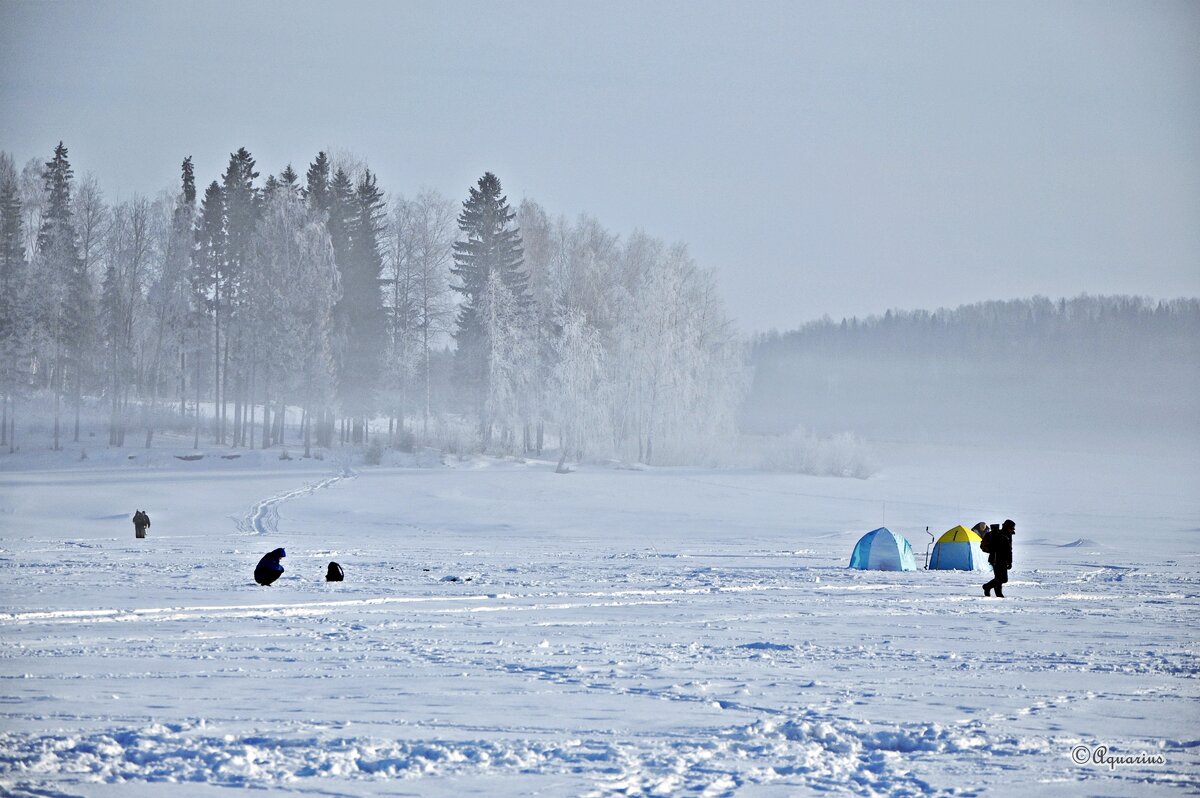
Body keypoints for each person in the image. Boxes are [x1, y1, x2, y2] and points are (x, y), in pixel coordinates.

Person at [982, 519, 1015, 597]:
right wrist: (1009, 561)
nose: (1012, 530)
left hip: (1001, 559)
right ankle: (986, 587)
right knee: (1003, 579)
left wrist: (1009, 561)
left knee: (998, 578)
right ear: (1007, 527)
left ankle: (998, 594)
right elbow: (1006, 550)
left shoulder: (1007, 535)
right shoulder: (999, 535)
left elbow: (1009, 550)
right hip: (997, 559)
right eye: (1011, 528)